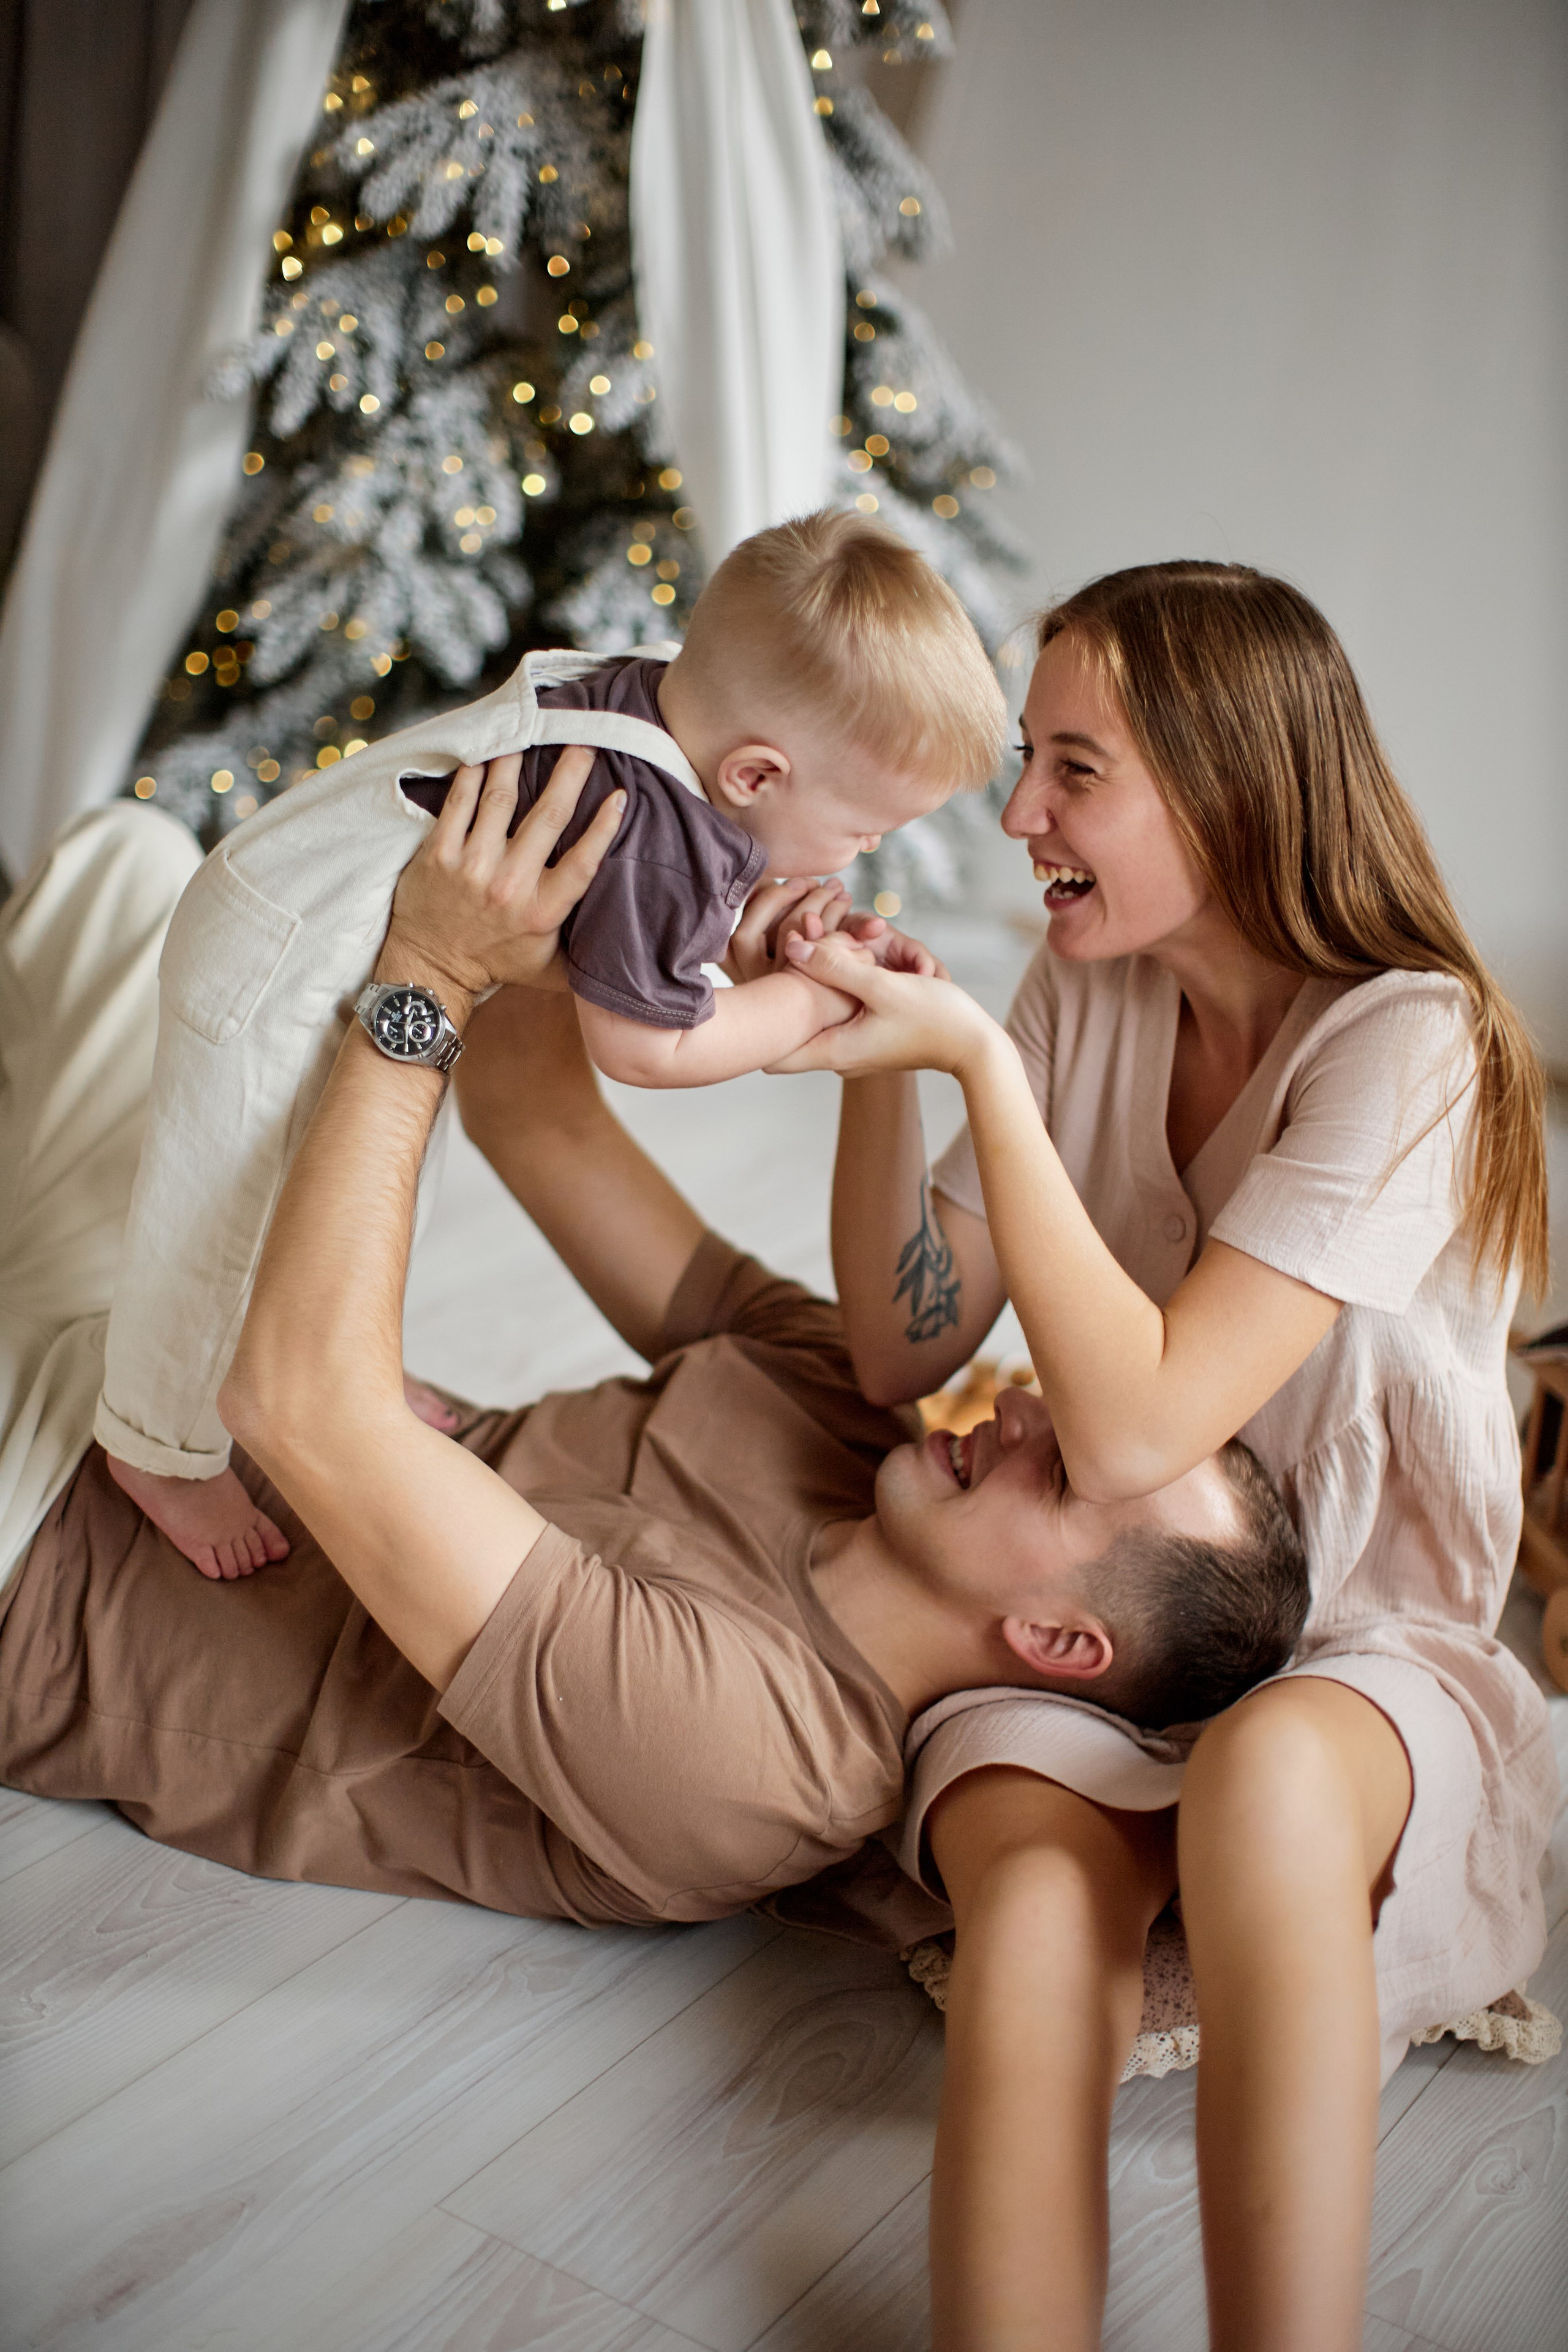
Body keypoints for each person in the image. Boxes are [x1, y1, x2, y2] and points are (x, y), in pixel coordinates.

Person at [0, 760, 1306, 1941]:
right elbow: (540, 1121)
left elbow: (297, 1402)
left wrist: (431, 972)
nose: (1024, 1408)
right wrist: (673, 937)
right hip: (149, 1377)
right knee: (128, 873)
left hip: (44, 1549)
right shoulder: (841, 1412)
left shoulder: (753, 1749)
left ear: (1056, 1644)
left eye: (1064, 1471)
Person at [778, 560, 1559, 2351]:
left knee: (1267, 1784)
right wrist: (882, 1065)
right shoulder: (1089, 996)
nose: (1019, 812)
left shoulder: (1416, 1044)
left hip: (1355, 1641)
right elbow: (906, 1345)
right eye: (1027, 761)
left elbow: (1141, 1424)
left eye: (1072, 768)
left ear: (1227, 788)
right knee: (1038, 1913)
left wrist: (976, 1060)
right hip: (1109, 1629)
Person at [92, 508, 1001, 1582]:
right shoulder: (664, 831)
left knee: (373, 1180)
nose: (868, 851)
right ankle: (155, 1443)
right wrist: (809, 1004)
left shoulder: (674, 703)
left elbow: (647, 931)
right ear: (755, 777)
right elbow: (648, 1048)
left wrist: (749, 932)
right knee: (226, 1214)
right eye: (866, 827)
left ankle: (358, 1370)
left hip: (328, 938)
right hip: (280, 953)